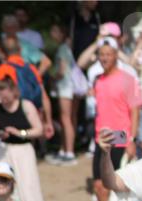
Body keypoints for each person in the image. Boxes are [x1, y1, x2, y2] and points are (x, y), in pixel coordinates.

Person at [89, 38, 142, 201]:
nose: (104, 58)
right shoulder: (98, 81)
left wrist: (132, 139)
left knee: (119, 189)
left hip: (121, 138)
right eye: (101, 54)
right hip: (102, 139)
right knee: (100, 188)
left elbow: (135, 111)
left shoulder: (128, 79)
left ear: (115, 55)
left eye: (108, 54)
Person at [48, 23, 84, 165]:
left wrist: (52, 77)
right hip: (73, 88)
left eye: (55, 30)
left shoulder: (62, 49)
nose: (52, 33)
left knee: (65, 119)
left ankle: (68, 152)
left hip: (65, 88)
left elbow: (62, 71)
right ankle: (66, 150)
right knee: (71, 118)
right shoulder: (67, 49)